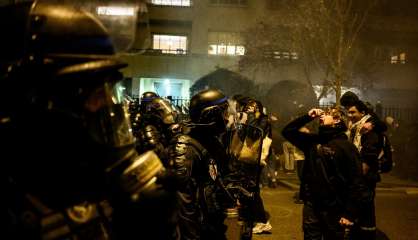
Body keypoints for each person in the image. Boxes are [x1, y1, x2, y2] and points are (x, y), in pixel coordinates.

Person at [1, 1, 176, 239]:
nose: (105, 108)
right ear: (30, 100)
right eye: (93, 95)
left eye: (107, 92)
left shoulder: (74, 180)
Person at [282, 107, 370, 240]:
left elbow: (356, 181)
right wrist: (308, 116)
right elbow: (288, 131)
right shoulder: (313, 141)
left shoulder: (346, 147)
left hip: (335, 206)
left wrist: (349, 213)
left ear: (337, 120)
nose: (321, 116)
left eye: (327, 114)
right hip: (312, 204)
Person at [346, 100, 383, 240]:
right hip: (359, 178)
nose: (349, 115)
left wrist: (359, 178)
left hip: (365, 178)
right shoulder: (356, 126)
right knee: (359, 212)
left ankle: (367, 236)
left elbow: (368, 156)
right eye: (348, 112)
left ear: (362, 113)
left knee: (366, 212)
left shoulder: (369, 128)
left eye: (353, 112)